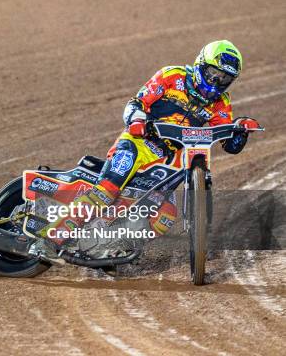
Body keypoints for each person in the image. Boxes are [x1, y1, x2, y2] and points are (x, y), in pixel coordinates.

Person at [46, 40, 256, 256]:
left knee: (164, 217)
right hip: (139, 144)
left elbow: (228, 143)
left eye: (225, 79)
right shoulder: (172, 76)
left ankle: (108, 249)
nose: (216, 82)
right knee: (106, 191)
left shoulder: (222, 102)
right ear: (201, 64)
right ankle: (50, 240)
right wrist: (137, 119)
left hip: (170, 161)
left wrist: (240, 130)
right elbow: (137, 102)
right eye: (214, 73)